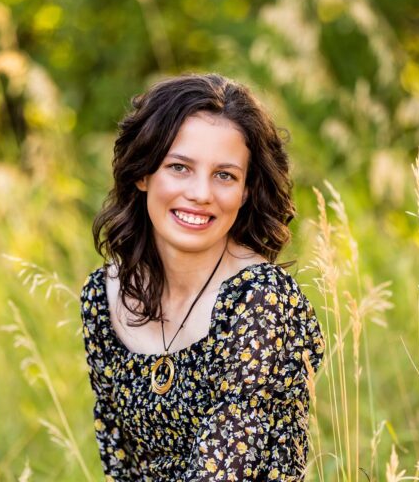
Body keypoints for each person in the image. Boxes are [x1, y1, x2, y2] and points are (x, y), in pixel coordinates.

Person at [80, 73, 324, 481]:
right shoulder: (103, 298)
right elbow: (119, 461)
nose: (201, 193)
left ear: (246, 190)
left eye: (224, 175)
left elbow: (224, 469)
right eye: (179, 167)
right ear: (143, 173)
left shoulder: (261, 301)